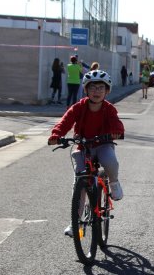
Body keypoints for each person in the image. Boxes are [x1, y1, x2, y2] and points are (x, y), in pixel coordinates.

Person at [47, 70, 125, 237]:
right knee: (79, 184)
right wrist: (57, 135)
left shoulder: (109, 109)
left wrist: (117, 132)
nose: (96, 91)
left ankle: (114, 183)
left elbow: (117, 124)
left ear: (107, 91)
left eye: (101, 88)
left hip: (103, 144)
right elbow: (65, 122)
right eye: (93, 88)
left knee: (111, 162)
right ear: (86, 90)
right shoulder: (79, 107)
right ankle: (75, 224)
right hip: (83, 146)